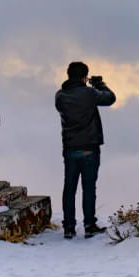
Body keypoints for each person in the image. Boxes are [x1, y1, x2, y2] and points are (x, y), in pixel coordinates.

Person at [55, 61, 116, 239]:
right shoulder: (90, 93)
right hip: (90, 148)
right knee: (88, 188)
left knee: (69, 188)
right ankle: (89, 225)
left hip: (70, 148)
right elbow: (110, 98)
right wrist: (98, 84)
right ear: (84, 77)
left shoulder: (60, 96)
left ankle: (69, 227)